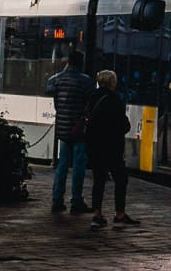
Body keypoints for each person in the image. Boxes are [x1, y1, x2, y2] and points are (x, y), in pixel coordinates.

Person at [84, 69, 137, 230]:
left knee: (98, 180)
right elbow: (123, 125)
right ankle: (119, 214)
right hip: (112, 147)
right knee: (121, 179)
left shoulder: (92, 98)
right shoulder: (115, 99)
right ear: (111, 82)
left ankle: (97, 214)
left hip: (95, 146)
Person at [46, 46, 95, 214]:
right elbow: (90, 102)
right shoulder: (86, 81)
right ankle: (76, 200)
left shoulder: (56, 79)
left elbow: (52, 95)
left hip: (63, 127)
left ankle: (57, 199)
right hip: (79, 128)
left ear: (68, 61)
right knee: (79, 165)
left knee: (62, 165)